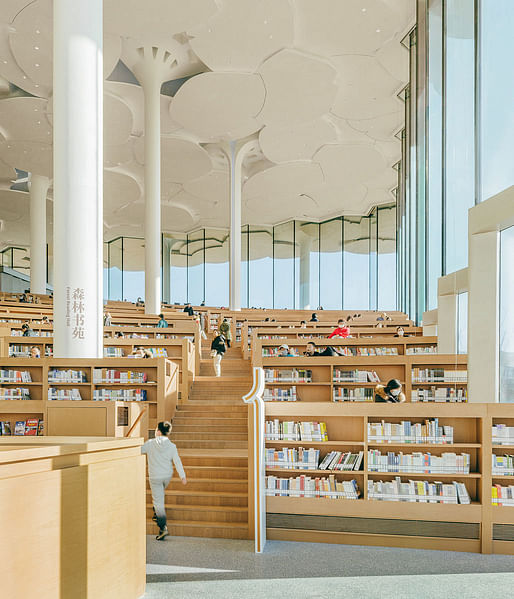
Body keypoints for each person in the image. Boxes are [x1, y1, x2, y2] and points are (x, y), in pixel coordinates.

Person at [141, 421, 187, 541]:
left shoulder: (150, 443)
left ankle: (162, 527)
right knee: (159, 497)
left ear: (159, 431)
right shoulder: (172, 446)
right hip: (167, 476)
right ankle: (157, 514)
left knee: (158, 502)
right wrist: (183, 476)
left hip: (155, 477)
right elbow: (177, 461)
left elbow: (139, 450)